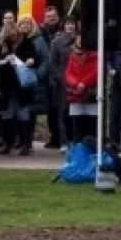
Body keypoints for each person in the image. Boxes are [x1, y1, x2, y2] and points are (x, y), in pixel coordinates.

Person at [0, 26, 37, 155]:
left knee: (23, 115)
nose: (14, 39)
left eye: (16, 36)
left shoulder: (27, 44)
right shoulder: (2, 46)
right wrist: (4, 62)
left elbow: (34, 58)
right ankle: (8, 143)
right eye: (11, 37)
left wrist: (30, 61)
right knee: (7, 116)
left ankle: (25, 144)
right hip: (6, 86)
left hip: (22, 86)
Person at [19, 16, 49, 154]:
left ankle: (28, 141)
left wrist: (38, 74)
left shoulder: (39, 40)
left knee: (30, 111)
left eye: (27, 23)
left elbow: (45, 60)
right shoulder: (16, 39)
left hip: (33, 79)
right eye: (22, 23)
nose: (24, 25)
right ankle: (20, 140)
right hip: (18, 80)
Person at [47, 17, 77, 151]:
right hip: (63, 82)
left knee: (75, 113)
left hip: (78, 80)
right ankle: (64, 141)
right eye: (68, 24)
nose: (70, 27)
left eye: (72, 24)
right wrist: (58, 77)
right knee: (63, 113)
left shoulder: (80, 40)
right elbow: (52, 62)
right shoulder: (56, 42)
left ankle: (76, 140)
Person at [63, 32, 99, 146]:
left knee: (92, 126)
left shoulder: (95, 54)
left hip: (91, 93)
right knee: (77, 126)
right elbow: (68, 73)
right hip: (75, 95)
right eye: (79, 39)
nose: (81, 41)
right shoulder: (72, 56)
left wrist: (84, 83)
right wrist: (76, 84)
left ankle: (92, 150)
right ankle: (79, 150)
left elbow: (96, 72)